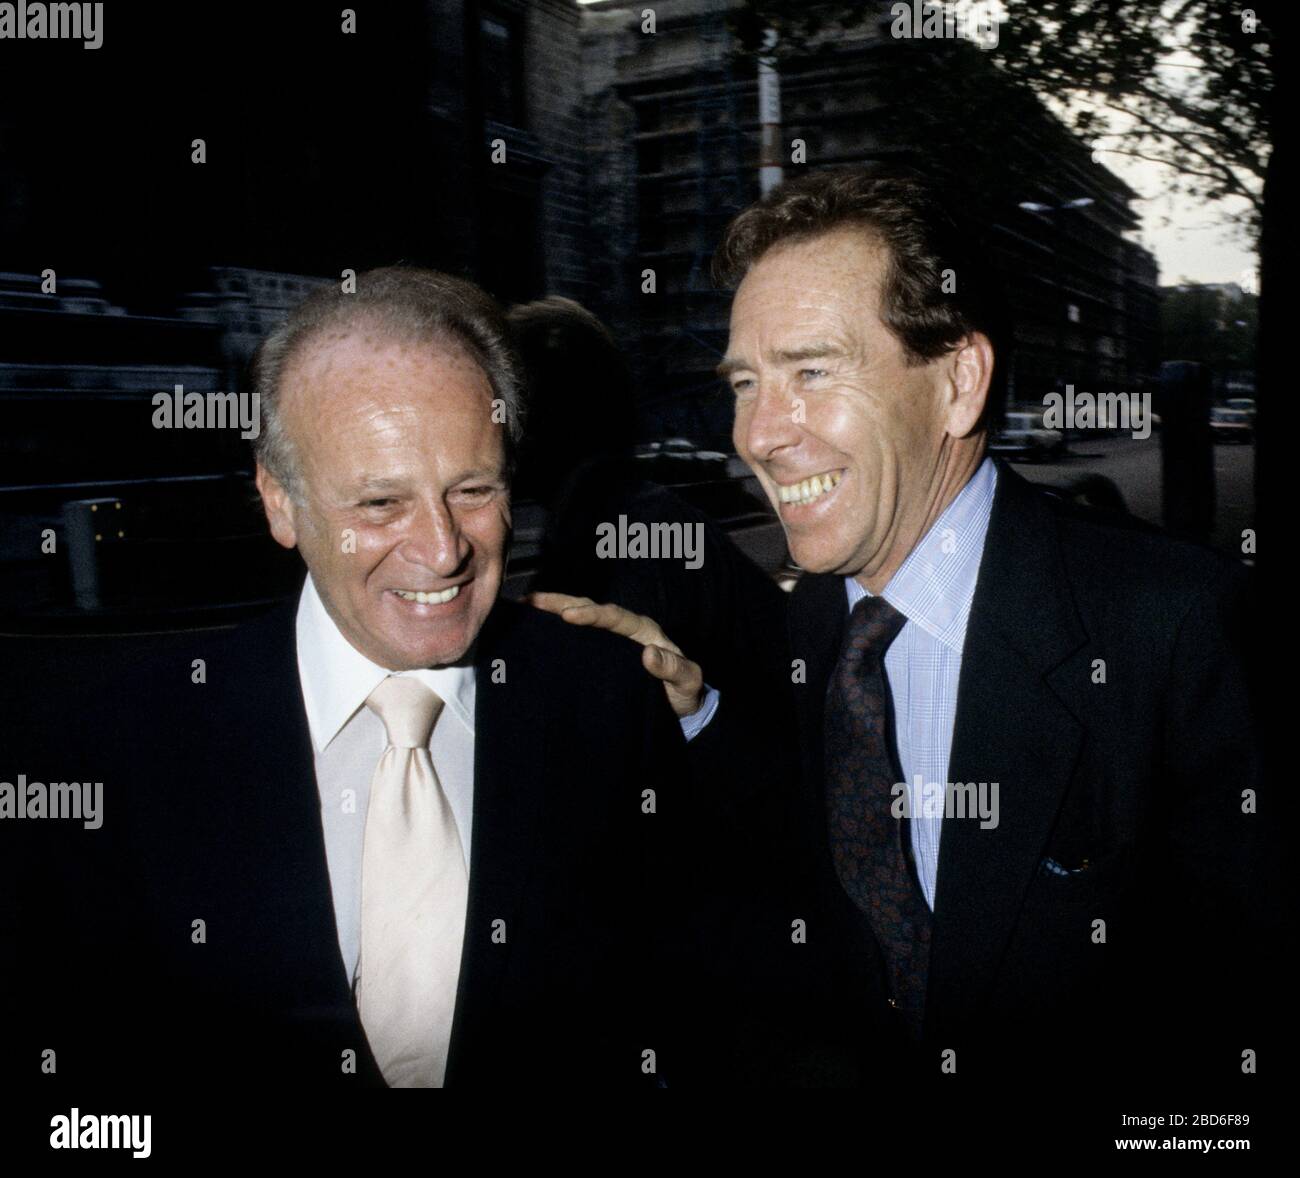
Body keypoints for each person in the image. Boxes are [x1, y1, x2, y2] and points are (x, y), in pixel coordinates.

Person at [537, 167, 1275, 1093]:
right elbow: (815, 841)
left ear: (958, 383)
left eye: (810, 371)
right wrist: (694, 705)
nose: (759, 434)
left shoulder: (1177, 623)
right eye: (745, 382)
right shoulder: (811, 622)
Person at [7, 267, 700, 1090]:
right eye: (380, 504)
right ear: (279, 502)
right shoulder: (116, 752)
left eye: (472, 490)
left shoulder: (611, 699)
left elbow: (681, 1012)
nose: (443, 550)